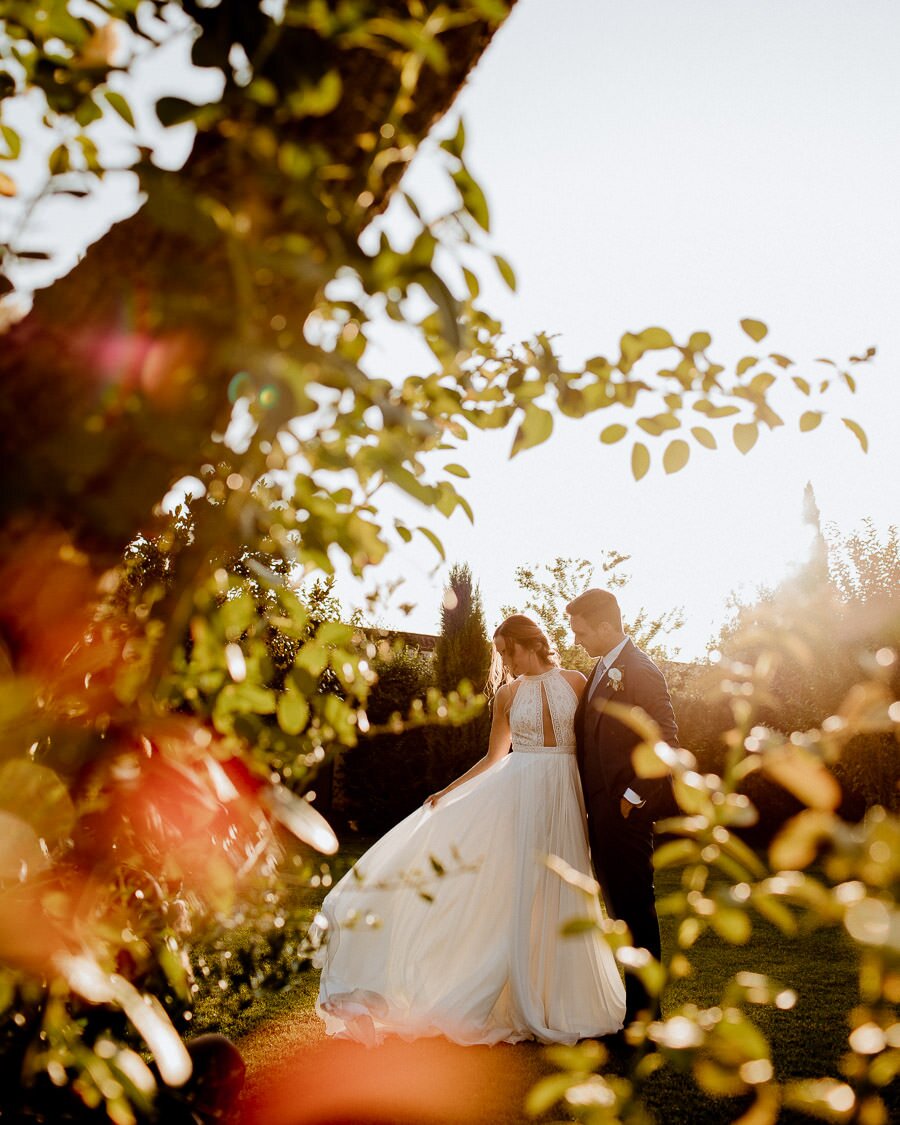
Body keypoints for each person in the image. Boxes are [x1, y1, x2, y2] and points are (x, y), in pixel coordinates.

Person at [312, 614, 625, 1046]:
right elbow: (495, 758)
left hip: (565, 797)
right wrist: (448, 791)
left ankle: (565, 999)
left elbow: (594, 746)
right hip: (522, 797)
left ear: (526, 643)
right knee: (522, 890)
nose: (503, 660)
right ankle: (514, 995)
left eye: (505, 651)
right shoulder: (507, 695)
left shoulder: (575, 681)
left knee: (567, 889)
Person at [566, 588, 679, 1023]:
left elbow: (666, 740)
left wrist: (632, 798)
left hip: (626, 815)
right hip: (601, 815)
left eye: (582, 632)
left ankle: (646, 1019)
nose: (578, 640)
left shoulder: (641, 670)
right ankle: (636, 1014)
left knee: (635, 912)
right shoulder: (600, 668)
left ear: (607, 627)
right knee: (620, 913)